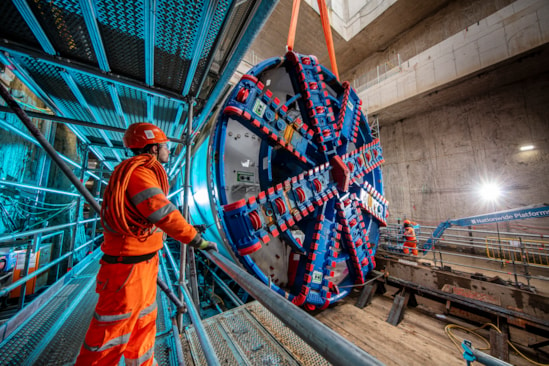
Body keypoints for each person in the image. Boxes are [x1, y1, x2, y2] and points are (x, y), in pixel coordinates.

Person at [76, 122, 217, 366]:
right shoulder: (138, 174)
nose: (168, 150)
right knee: (109, 337)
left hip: (142, 266)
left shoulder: (141, 173)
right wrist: (197, 240)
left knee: (144, 324)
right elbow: (164, 212)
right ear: (151, 148)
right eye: (164, 146)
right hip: (127, 271)